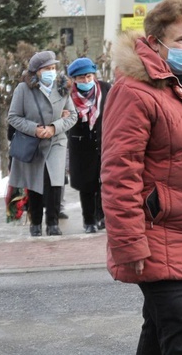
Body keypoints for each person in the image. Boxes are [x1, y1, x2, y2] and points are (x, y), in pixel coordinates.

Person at [101, 0, 182, 355]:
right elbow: (119, 172)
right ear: (155, 43)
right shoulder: (134, 91)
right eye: (181, 40)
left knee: (158, 328)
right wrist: (128, 240)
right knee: (181, 328)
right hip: (154, 231)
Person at [8, 51, 77, 237]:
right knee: (35, 183)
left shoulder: (62, 87)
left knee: (55, 183)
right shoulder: (23, 89)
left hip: (56, 141)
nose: (52, 72)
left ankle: (53, 223)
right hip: (33, 142)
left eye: (54, 68)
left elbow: (73, 115)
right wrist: (35, 128)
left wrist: (55, 127)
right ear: (37, 71)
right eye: (47, 69)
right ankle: (36, 223)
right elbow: (13, 117)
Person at [66, 57, 111, 234]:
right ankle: (88, 220)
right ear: (74, 79)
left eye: (89, 76)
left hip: (103, 143)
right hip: (80, 146)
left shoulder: (106, 88)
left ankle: (101, 217)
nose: (86, 80)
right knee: (86, 185)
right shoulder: (68, 94)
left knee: (103, 183)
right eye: (81, 78)